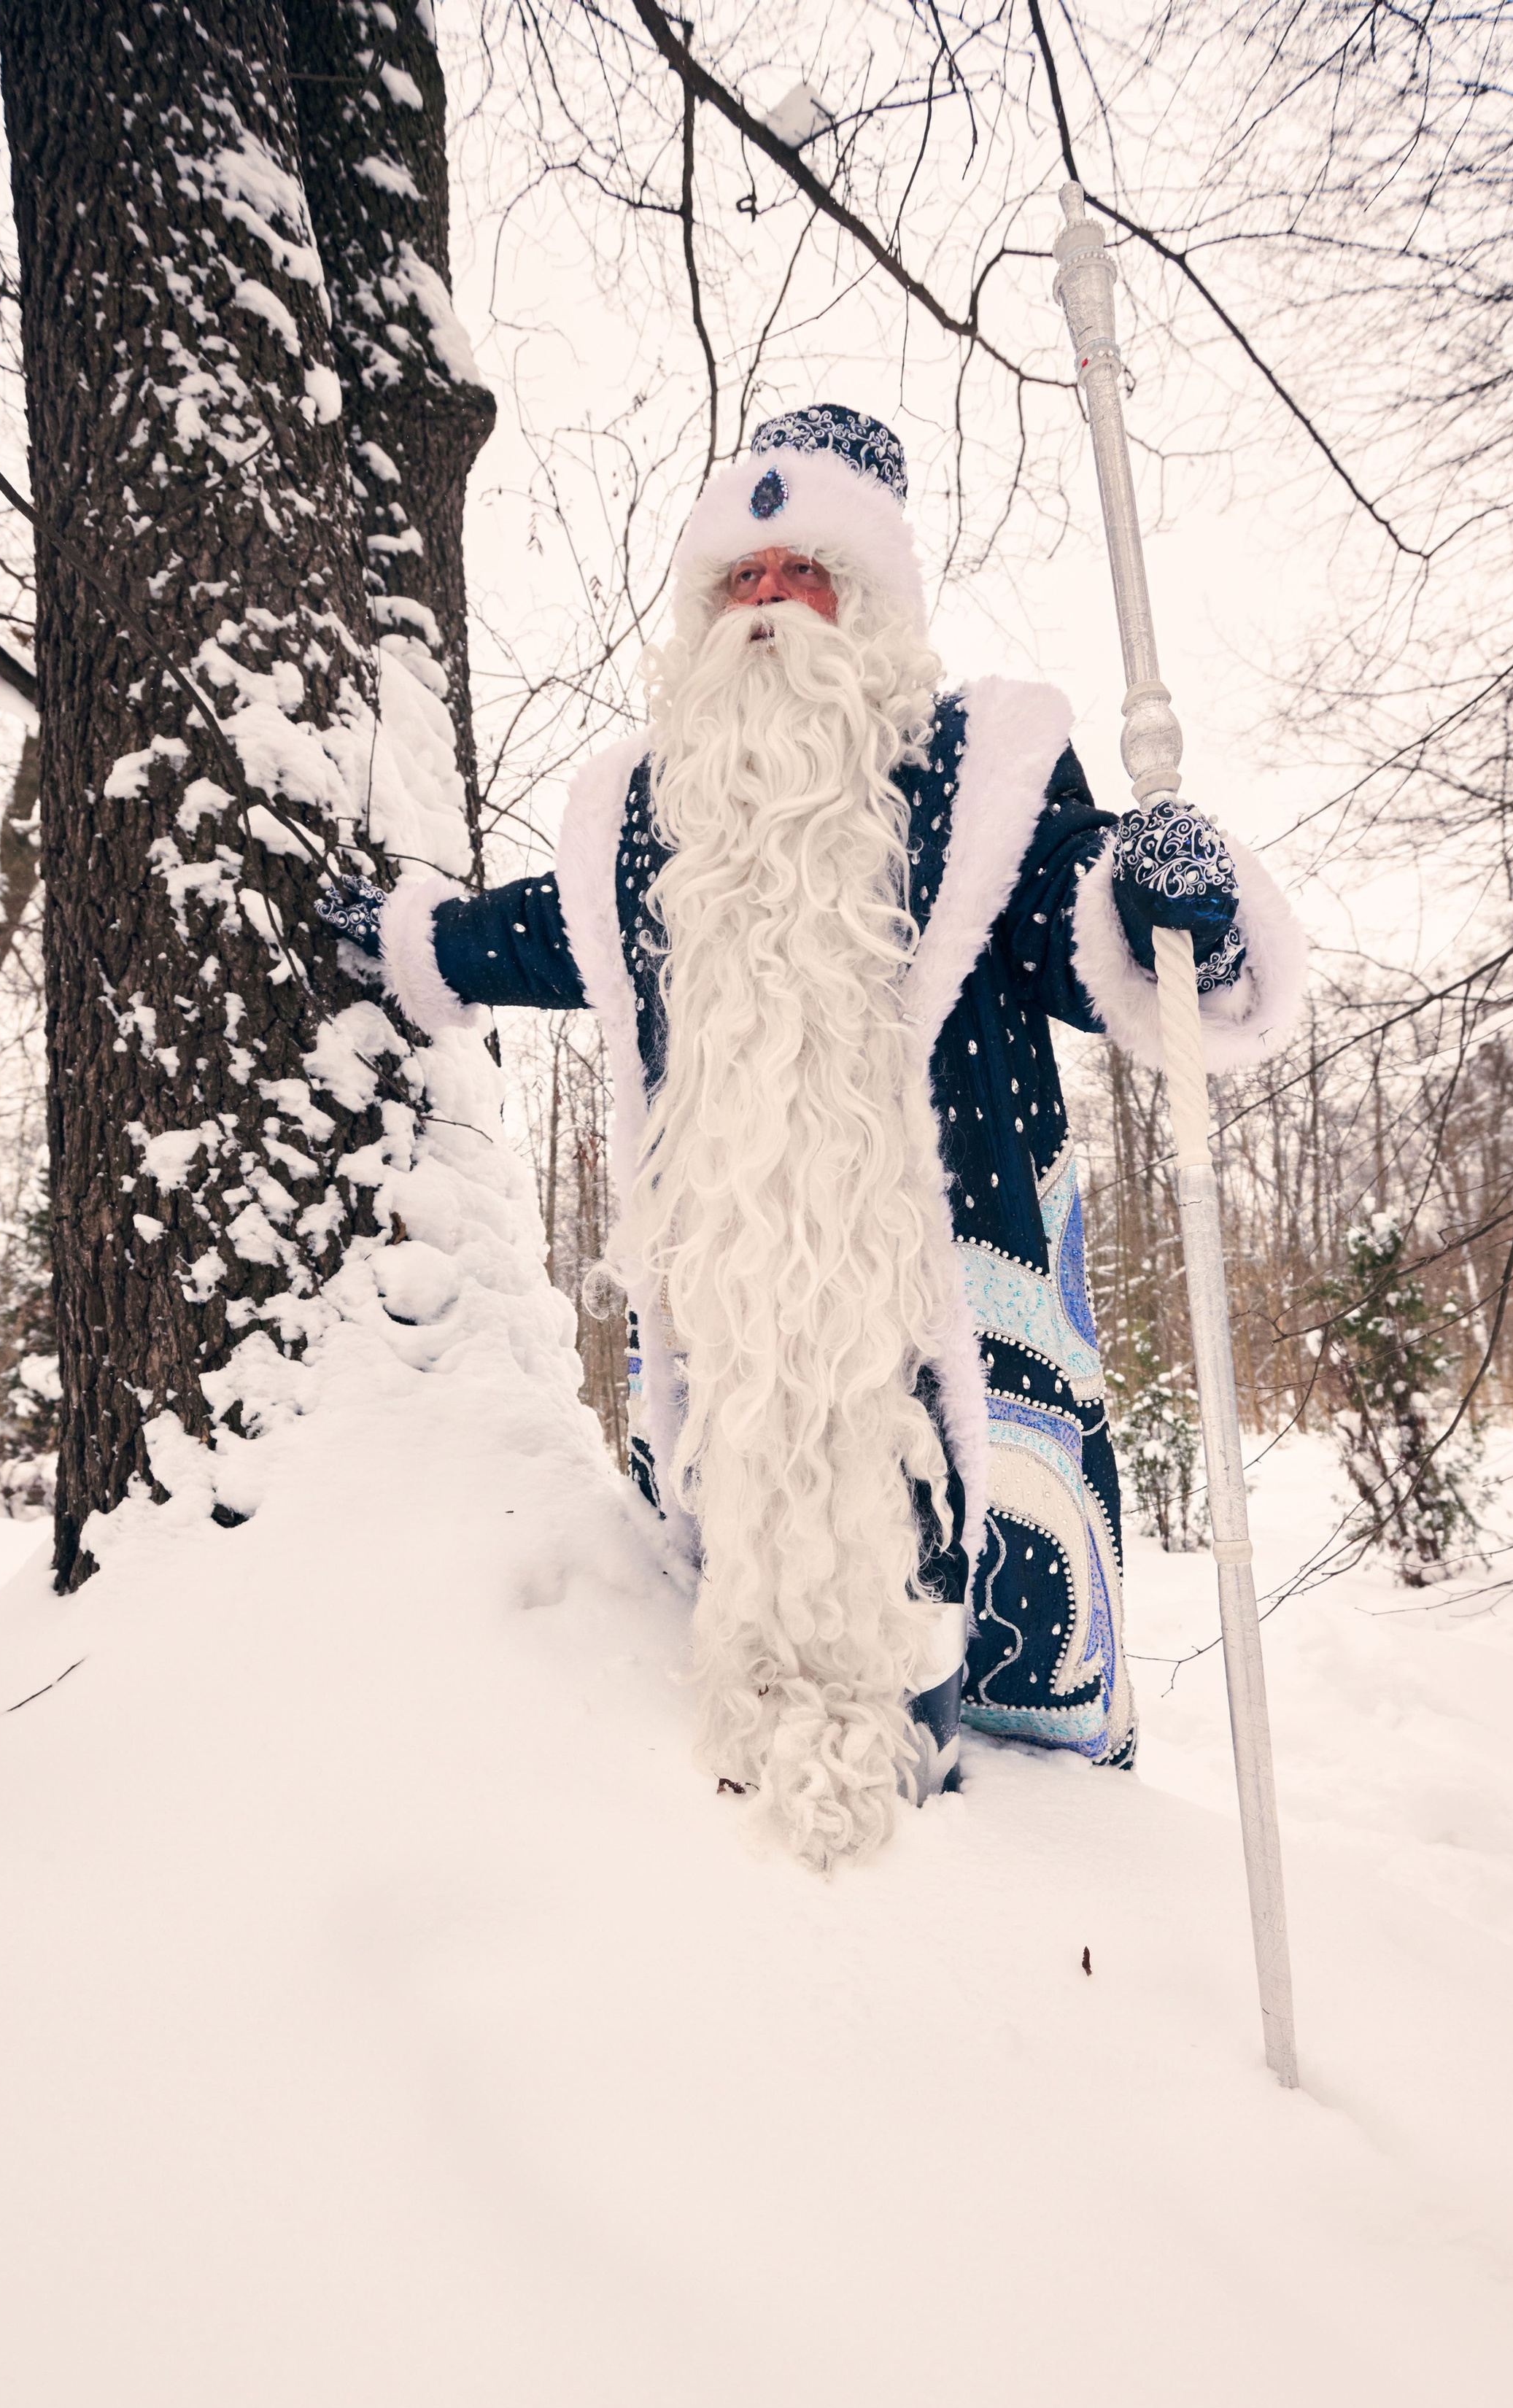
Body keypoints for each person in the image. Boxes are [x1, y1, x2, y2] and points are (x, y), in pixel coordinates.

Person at [322, 404, 1305, 1868]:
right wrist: (420, 944)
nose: (769, 606)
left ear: (874, 604)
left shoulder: (982, 774)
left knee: (1028, 1767)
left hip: (950, 1332)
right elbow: (546, 934)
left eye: (806, 575)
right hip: (733, 1362)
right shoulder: (647, 821)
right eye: (744, 580)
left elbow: (1077, 928)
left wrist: (1179, 905)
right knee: (739, 1635)